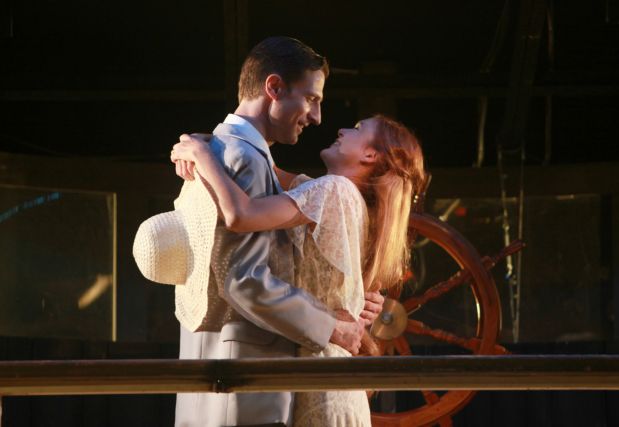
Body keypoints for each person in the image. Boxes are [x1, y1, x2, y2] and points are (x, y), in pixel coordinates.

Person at [171, 36, 384, 427]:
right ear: (274, 87)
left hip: (209, 366)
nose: (316, 117)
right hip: (244, 374)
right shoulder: (244, 159)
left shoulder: (221, 151)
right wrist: (332, 328)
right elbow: (244, 280)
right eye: (311, 99)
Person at [172, 114, 428, 426]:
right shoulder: (342, 198)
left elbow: (242, 214)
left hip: (323, 383)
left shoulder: (334, 191)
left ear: (370, 154)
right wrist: (208, 143)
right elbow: (267, 168)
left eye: (357, 129)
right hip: (330, 379)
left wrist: (201, 155)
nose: (342, 129)